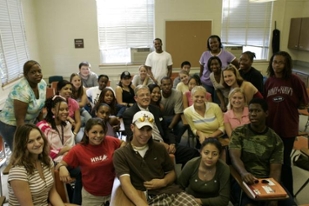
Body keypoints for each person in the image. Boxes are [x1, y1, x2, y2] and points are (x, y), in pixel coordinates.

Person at [113, 111, 199, 206]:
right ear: (132, 128)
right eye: (141, 129)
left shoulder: (159, 148)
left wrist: (163, 182)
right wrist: (141, 203)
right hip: (144, 196)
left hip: (169, 192)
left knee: (193, 203)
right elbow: (126, 183)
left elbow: (171, 173)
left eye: (148, 130)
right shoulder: (121, 154)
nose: (145, 134)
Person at [229, 98, 297, 206]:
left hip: (267, 181)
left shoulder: (275, 140)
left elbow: (275, 170)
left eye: (257, 111)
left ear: (266, 113)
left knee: (290, 205)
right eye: (251, 111)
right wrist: (244, 173)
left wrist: (273, 196)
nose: (253, 114)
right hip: (245, 179)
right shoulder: (239, 133)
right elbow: (235, 157)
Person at [264, 51, 309, 195]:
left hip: (288, 126)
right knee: (270, 159)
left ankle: (288, 193)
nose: (277, 65)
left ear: (286, 64)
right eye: (275, 62)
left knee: (284, 161)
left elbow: (304, 102)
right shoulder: (269, 81)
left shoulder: (295, 80)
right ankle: (271, 189)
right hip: (271, 126)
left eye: (281, 62)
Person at [122, 85, 199, 167]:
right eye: (142, 95)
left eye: (147, 94)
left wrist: (172, 143)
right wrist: (160, 144)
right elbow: (132, 137)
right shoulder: (129, 114)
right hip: (148, 147)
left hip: (166, 143)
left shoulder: (155, 109)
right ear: (136, 98)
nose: (146, 97)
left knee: (193, 154)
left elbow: (166, 129)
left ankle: (184, 178)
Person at [56, 118, 125, 206]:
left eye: (101, 132)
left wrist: (118, 153)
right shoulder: (78, 149)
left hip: (113, 192)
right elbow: (60, 164)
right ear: (86, 133)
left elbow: (123, 143)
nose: (98, 136)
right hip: (91, 197)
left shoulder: (110, 141)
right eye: (94, 132)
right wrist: (62, 167)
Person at [7, 124, 68, 206]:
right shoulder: (18, 172)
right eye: (30, 141)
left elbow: (52, 193)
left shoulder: (47, 160)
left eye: (39, 138)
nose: (37, 143)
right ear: (22, 145)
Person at [37, 96, 82, 204]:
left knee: (86, 170)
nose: (65, 112)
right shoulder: (42, 127)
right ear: (53, 110)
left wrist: (64, 160)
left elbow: (71, 147)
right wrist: (63, 151)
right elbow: (43, 152)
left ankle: (75, 202)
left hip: (67, 160)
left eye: (67, 109)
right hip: (49, 162)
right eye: (61, 109)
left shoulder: (67, 125)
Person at [0, 60, 47, 150]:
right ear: (26, 74)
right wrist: (25, 139)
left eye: (39, 71)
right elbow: (20, 120)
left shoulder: (42, 83)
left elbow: (40, 105)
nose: (37, 74)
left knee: (36, 148)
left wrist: (42, 125)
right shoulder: (21, 90)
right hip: (11, 124)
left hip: (30, 121)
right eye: (33, 72)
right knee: (21, 152)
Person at [178, 138, 230, 206]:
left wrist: (199, 201)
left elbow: (224, 200)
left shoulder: (224, 169)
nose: (210, 157)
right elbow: (178, 188)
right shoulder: (191, 164)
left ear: (219, 155)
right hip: (190, 202)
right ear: (200, 152)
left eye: (214, 154)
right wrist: (188, 201)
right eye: (206, 153)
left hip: (213, 204)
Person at [199, 35, 239, 103]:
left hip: (220, 85)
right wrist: (200, 80)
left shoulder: (226, 54)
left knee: (218, 103)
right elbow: (201, 69)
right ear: (209, 44)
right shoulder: (204, 54)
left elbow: (237, 65)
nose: (213, 44)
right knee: (207, 103)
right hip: (206, 83)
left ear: (219, 43)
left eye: (215, 42)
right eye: (211, 43)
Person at [160, 77, 187, 143]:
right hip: (160, 118)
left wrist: (169, 128)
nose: (167, 86)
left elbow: (178, 113)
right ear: (161, 86)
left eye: (169, 84)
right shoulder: (157, 94)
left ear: (172, 85)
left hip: (173, 117)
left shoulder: (177, 93)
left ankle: (176, 141)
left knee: (181, 124)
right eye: (164, 85)